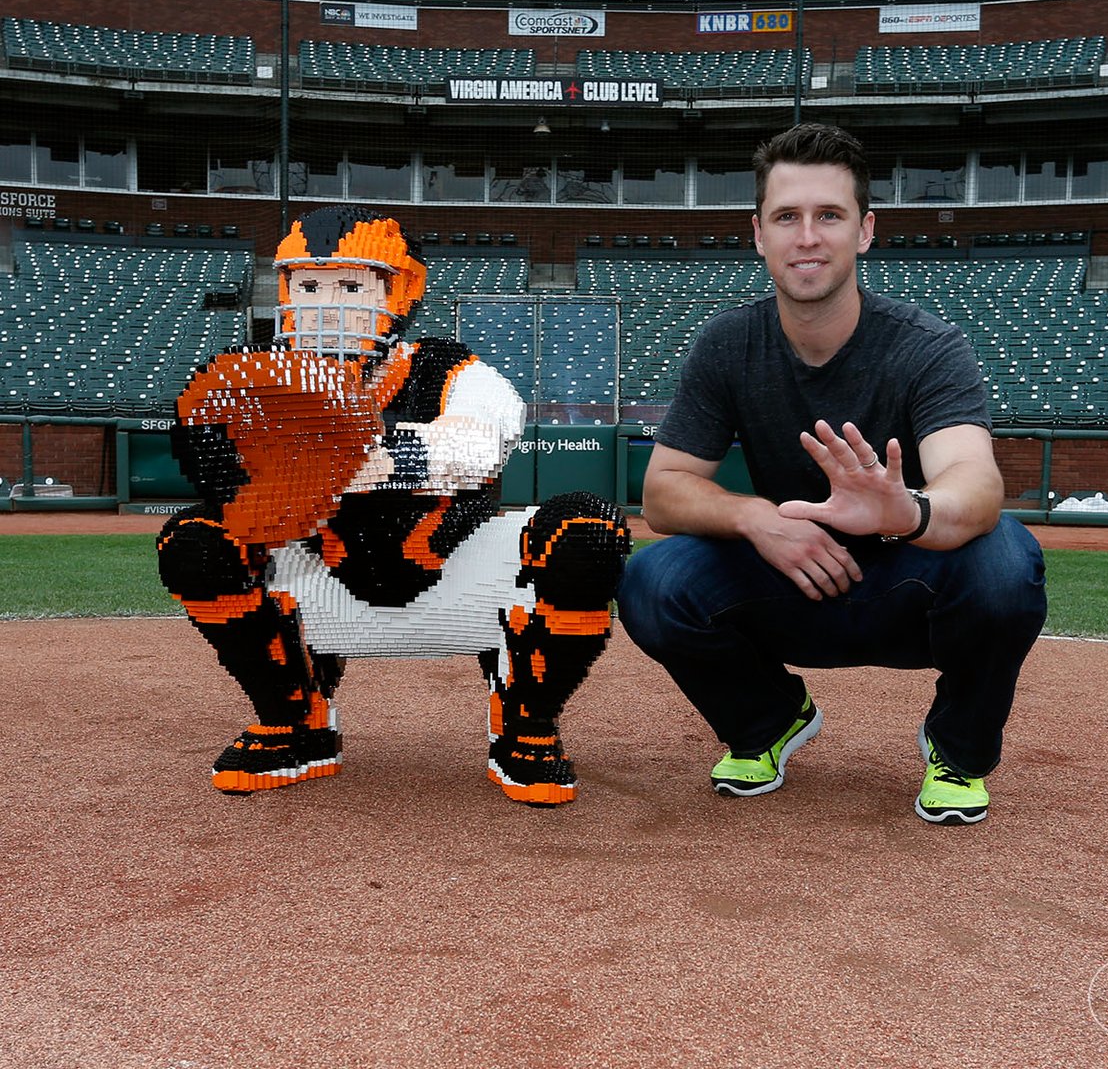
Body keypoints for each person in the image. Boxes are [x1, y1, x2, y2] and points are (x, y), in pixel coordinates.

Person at [617, 123, 1047, 825]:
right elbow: (661, 492)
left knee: (1007, 564)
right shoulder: (727, 344)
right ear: (759, 234)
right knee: (651, 580)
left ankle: (958, 750)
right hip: (793, 572)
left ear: (865, 230)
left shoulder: (928, 347)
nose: (807, 236)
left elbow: (975, 483)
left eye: (829, 215)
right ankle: (768, 721)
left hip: (908, 582)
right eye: (787, 217)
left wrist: (899, 511)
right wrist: (757, 518)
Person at [157, 204, 628, 807]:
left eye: (350, 285)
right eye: (307, 285)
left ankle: (526, 719)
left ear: (400, 290)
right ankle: (293, 717)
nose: (323, 302)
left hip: (457, 564)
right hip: (317, 570)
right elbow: (212, 465)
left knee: (587, 533)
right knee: (194, 542)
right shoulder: (250, 378)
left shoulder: (446, 366)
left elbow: (482, 440)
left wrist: (372, 457)